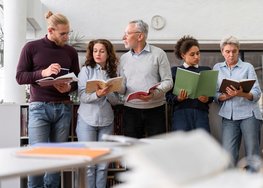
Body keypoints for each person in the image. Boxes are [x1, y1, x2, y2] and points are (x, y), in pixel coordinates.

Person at [16, 11, 80, 188]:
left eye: (68, 32)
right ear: (51, 31)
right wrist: (43, 73)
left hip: (63, 109)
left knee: (55, 159)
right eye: (63, 34)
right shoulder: (31, 47)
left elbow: (78, 80)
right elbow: (20, 77)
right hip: (39, 108)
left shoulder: (70, 51)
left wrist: (69, 87)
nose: (67, 36)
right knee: (37, 157)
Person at [213, 36, 262, 169]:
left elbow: (257, 93)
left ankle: (254, 183)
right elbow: (214, 94)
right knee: (228, 154)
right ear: (222, 51)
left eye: (234, 51)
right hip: (229, 117)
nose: (231, 54)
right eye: (228, 51)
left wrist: (240, 93)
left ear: (238, 51)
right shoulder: (217, 68)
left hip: (249, 115)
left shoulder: (247, 67)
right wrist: (225, 96)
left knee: (252, 153)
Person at [76, 39, 120, 188]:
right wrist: (98, 95)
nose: (98, 54)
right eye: (95, 51)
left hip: (107, 121)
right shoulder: (86, 70)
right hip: (86, 121)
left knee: (102, 165)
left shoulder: (113, 72)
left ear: (108, 54)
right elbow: (82, 96)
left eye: (102, 51)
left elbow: (115, 102)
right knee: (89, 164)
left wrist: (107, 92)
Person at [119, 20, 173, 138]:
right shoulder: (123, 58)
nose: (124, 37)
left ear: (140, 36)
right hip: (130, 111)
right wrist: (114, 87)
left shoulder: (159, 54)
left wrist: (155, 93)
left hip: (155, 110)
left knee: (156, 148)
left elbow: (168, 81)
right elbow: (123, 89)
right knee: (131, 149)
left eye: (127, 33)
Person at [166, 35, 213, 132]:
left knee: (202, 144)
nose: (196, 57)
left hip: (201, 114)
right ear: (183, 55)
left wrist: (207, 99)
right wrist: (178, 98)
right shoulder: (175, 71)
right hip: (181, 114)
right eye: (192, 54)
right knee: (181, 144)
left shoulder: (206, 70)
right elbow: (168, 97)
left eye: (198, 53)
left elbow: (211, 96)